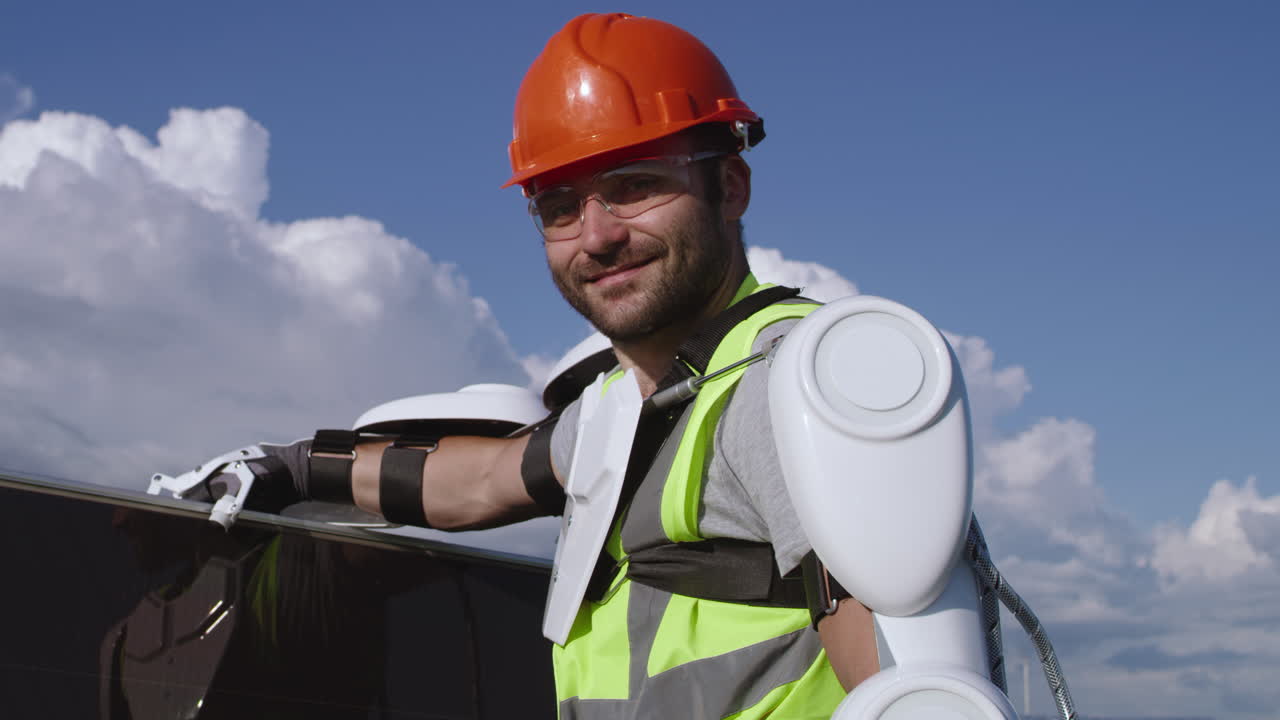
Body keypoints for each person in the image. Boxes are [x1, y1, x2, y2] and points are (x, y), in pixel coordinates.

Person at [243, 12, 880, 719]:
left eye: (636, 185)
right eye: (560, 207)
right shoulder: (622, 406)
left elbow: (904, 672)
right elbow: (481, 481)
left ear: (729, 187)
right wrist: (297, 468)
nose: (598, 236)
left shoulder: (787, 380)